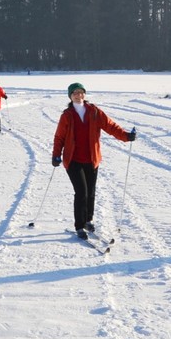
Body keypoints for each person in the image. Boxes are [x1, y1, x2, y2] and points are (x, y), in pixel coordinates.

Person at [52, 82, 137, 239]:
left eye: (81, 92)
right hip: (73, 160)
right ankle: (79, 226)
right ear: (70, 96)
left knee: (90, 192)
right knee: (81, 192)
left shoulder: (94, 112)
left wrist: (126, 136)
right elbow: (59, 137)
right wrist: (56, 155)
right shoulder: (67, 115)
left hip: (92, 159)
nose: (78, 95)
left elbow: (110, 126)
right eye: (75, 93)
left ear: (84, 94)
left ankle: (88, 220)